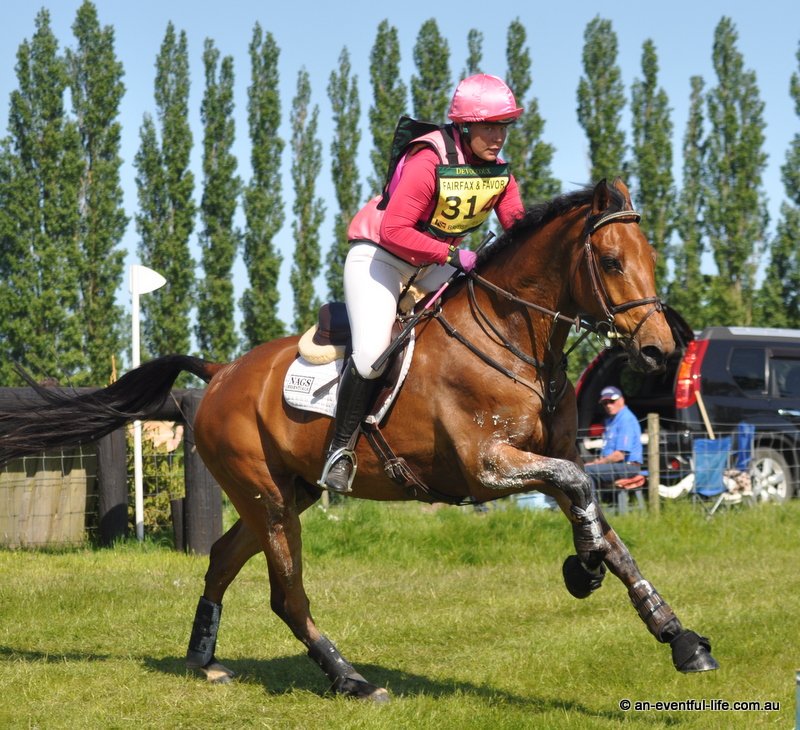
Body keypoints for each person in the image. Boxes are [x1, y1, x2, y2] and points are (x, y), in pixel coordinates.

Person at [317, 73, 526, 493]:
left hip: (432, 264)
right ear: (464, 127)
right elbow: (395, 230)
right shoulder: (428, 159)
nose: (498, 136)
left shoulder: (498, 172)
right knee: (373, 354)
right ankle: (339, 450)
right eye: (489, 126)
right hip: (381, 259)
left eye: (504, 126)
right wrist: (452, 255)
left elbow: (518, 229)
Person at [584, 386, 643, 497]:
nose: (608, 405)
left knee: (587, 471)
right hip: (616, 465)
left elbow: (619, 455)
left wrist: (598, 463)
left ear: (621, 400)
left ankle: (591, 509)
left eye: (612, 401)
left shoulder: (626, 419)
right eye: (605, 403)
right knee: (583, 468)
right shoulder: (612, 420)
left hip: (628, 466)